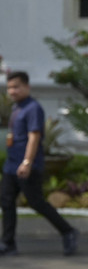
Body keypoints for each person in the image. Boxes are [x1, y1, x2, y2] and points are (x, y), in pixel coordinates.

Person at [1, 71, 78, 256]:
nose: (12, 91)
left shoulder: (33, 108)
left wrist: (27, 162)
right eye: (10, 87)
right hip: (11, 165)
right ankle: (8, 242)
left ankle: (68, 231)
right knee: (6, 201)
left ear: (27, 87)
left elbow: (34, 137)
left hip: (27, 166)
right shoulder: (16, 107)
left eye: (16, 87)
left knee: (36, 202)